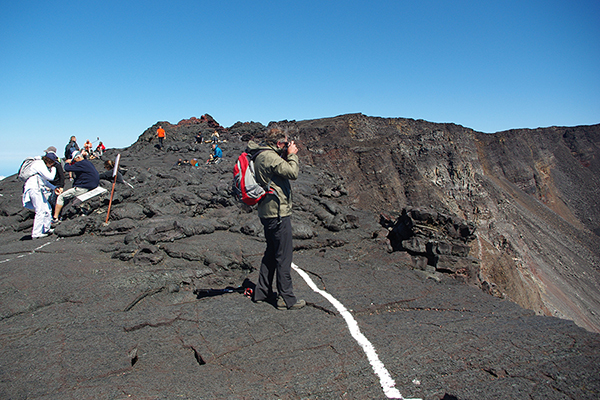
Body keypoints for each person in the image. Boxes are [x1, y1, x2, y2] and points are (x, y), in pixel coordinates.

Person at [248, 129, 305, 310]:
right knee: (283, 255)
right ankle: (286, 298)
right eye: (286, 143)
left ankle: (262, 291)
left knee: (272, 252)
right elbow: (292, 172)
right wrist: (292, 155)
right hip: (277, 213)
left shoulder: (262, 154)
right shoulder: (270, 157)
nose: (288, 146)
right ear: (280, 144)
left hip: (268, 212)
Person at [53, 151, 100, 222]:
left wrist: (67, 162)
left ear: (78, 157)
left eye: (74, 160)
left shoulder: (80, 164)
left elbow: (67, 168)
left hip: (83, 188)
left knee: (61, 197)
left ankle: (55, 218)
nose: (74, 162)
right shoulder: (87, 163)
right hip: (93, 186)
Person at [22, 151, 59, 238]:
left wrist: (54, 188)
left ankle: (46, 228)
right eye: (53, 163)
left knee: (47, 208)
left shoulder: (40, 164)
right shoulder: (39, 164)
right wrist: (54, 169)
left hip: (37, 188)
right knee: (40, 210)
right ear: (50, 161)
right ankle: (36, 233)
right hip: (34, 189)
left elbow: (44, 181)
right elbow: (50, 177)